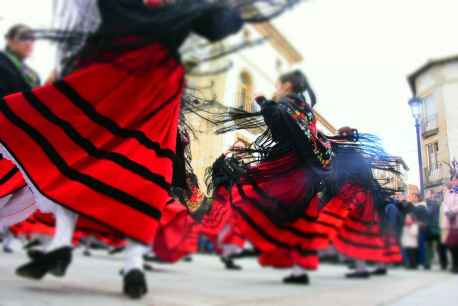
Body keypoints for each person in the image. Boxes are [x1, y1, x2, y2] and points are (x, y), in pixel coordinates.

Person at [0, 0, 301, 299]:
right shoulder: (181, 9)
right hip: (145, 87)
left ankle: (68, 245)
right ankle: (127, 262)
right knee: (139, 170)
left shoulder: (172, 9)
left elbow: (215, 24)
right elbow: (217, 25)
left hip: (121, 78)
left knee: (83, 158)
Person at [205, 70, 401, 285]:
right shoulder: (305, 110)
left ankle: (243, 245)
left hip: (290, 172)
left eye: (278, 85)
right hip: (306, 177)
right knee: (299, 223)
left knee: (250, 198)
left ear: (287, 85)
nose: (277, 89)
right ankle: (298, 270)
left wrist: (263, 102)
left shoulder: (290, 104)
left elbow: (281, 129)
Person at [0, 24, 41, 252]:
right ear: (10, 39)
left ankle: (10, 233)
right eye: (24, 38)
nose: (29, 44)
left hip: (21, 140)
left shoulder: (30, 74)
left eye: (32, 39)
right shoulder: (2, 63)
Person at [443, 180, 458, 273]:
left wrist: (453, 211)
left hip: (456, 219)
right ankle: (454, 264)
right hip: (451, 223)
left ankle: (456, 265)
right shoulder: (448, 193)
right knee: (451, 245)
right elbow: (444, 204)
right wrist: (447, 211)